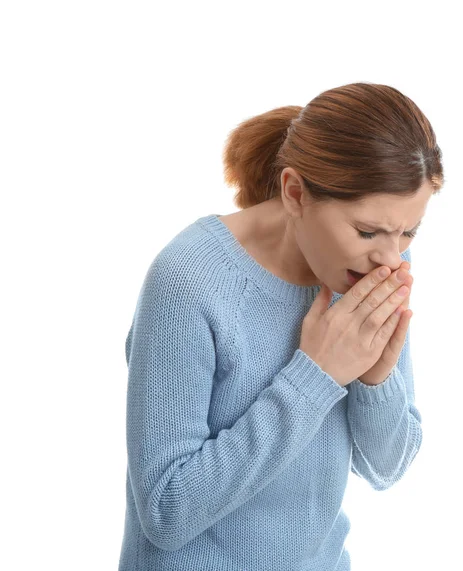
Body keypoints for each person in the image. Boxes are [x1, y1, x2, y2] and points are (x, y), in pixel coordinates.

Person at [118, 81, 444, 570]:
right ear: (295, 193)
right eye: (366, 230)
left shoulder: (374, 267)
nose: (390, 257)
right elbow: (166, 512)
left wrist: (376, 376)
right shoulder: (189, 282)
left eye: (408, 231)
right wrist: (315, 375)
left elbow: (386, 468)